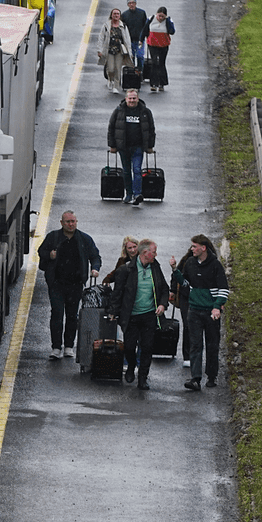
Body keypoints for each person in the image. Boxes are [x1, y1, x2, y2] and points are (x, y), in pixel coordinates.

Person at [37, 211, 102, 360]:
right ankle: (56, 347)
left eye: (73, 221)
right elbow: (41, 251)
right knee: (57, 314)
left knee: (72, 315)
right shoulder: (53, 237)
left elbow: (95, 256)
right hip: (56, 284)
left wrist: (95, 269)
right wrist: (50, 255)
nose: (71, 224)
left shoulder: (84, 239)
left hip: (75, 284)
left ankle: (68, 346)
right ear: (61, 223)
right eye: (68, 222)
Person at [107, 239, 170, 390]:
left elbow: (164, 289)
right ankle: (131, 366)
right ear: (144, 253)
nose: (156, 254)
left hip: (149, 315)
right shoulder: (126, 270)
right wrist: (113, 312)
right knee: (129, 347)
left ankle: (143, 378)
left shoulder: (155, 267)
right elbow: (117, 294)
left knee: (147, 347)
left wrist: (162, 304)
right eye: (154, 251)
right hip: (131, 316)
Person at [168, 235, 229, 390]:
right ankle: (195, 378)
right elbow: (186, 284)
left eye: (195, 246)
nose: (192, 249)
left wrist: (216, 306)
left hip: (210, 312)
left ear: (204, 248)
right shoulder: (189, 263)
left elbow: (223, 289)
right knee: (195, 345)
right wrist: (175, 270)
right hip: (194, 310)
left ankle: (212, 375)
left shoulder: (215, 265)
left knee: (212, 344)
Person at [107, 89, 156, 205]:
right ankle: (128, 194)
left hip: (138, 146)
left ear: (138, 99)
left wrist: (150, 146)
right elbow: (111, 128)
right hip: (123, 147)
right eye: (130, 98)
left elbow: (151, 129)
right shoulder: (118, 111)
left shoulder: (145, 112)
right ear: (126, 99)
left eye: (134, 98)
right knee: (126, 171)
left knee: (137, 170)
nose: (132, 101)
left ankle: (137, 194)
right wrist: (112, 145)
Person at [97, 8, 135, 94]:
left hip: (119, 51)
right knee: (110, 68)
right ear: (111, 15)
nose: (116, 15)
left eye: (118, 14)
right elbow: (101, 38)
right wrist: (99, 50)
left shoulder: (123, 26)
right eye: (114, 14)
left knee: (118, 68)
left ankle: (116, 86)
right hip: (109, 50)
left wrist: (130, 52)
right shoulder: (106, 26)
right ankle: (110, 79)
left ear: (120, 16)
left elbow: (127, 40)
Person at [145, 7, 175, 91]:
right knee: (154, 62)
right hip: (152, 44)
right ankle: (153, 84)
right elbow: (145, 28)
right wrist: (141, 39)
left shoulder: (168, 21)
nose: (160, 18)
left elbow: (172, 31)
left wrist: (168, 21)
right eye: (159, 16)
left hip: (163, 45)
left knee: (161, 63)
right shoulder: (151, 19)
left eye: (162, 16)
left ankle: (162, 83)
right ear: (156, 14)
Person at [120, 0, 149, 72]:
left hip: (140, 40)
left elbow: (145, 26)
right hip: (129, 41)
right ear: (127, 5)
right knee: (130, 57)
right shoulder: (124, 15)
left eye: (133, 3)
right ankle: (132, 72)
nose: (131, 5)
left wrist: (147, 36)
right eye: (130, 3)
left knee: (140, 56)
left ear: (136, 4)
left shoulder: (142, 13)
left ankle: (140, 71)